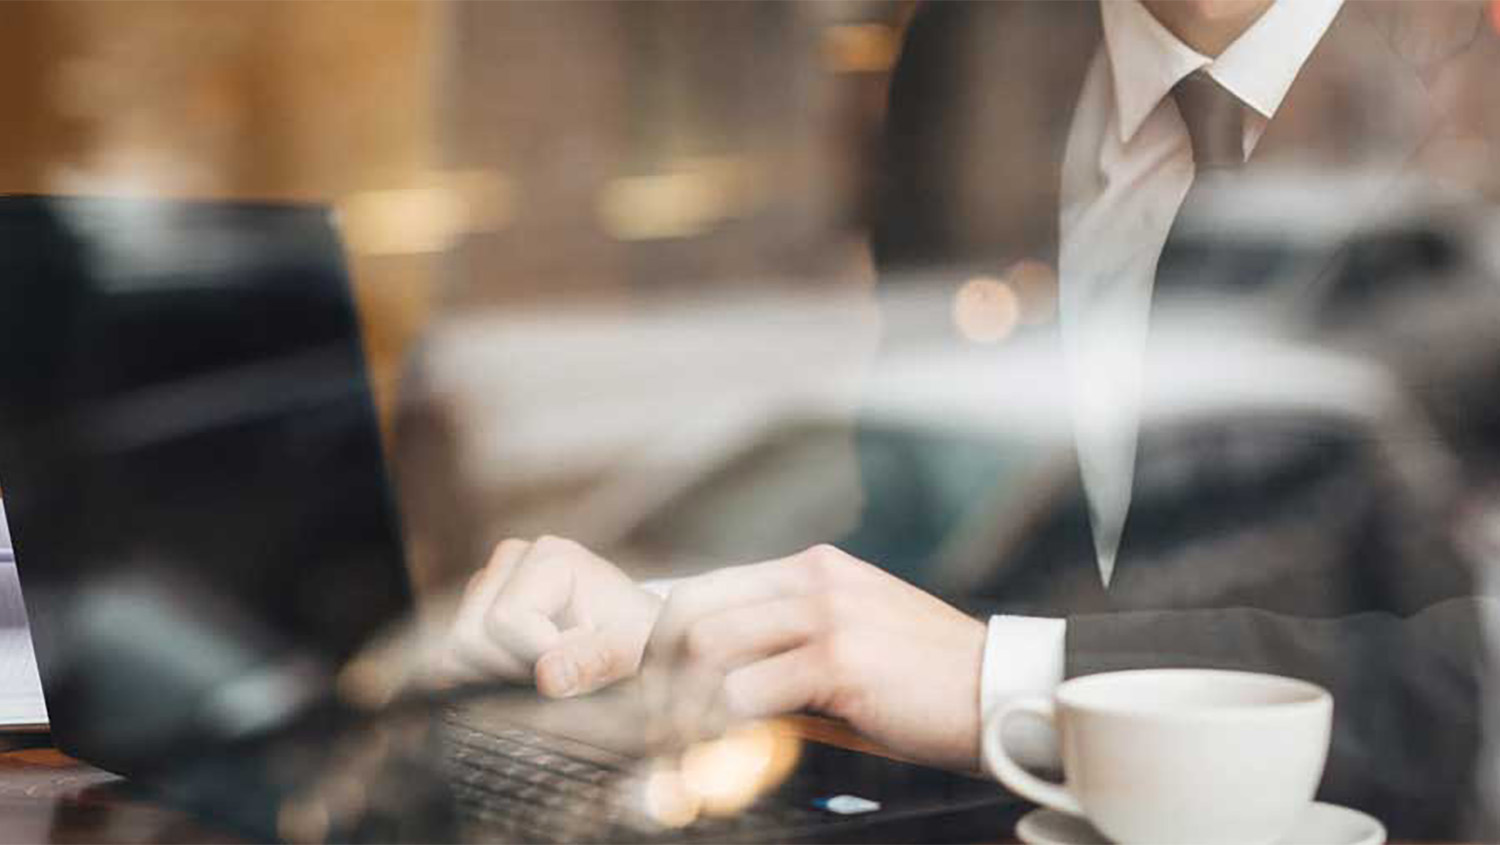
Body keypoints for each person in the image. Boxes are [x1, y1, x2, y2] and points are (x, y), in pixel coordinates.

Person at [439, 2, 1500, 839]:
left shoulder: (1435, 92)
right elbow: (911, 529)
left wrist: (999, 676)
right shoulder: (966, 48)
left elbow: (1448, 688)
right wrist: (668, 615)